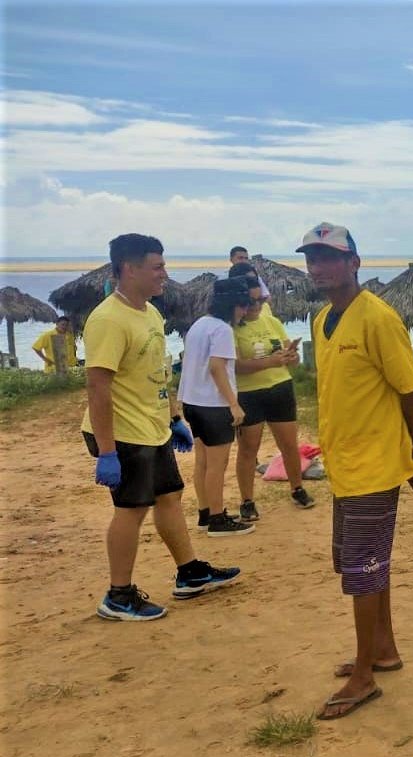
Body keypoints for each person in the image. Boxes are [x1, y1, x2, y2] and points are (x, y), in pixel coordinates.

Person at [302, 221, 413, 720]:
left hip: (375, 466)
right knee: (365, 563)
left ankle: (363, 676)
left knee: (361, 570)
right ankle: (383, 649)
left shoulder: (377, 318)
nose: (319, 268)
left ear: (354, 263)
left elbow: (411, 391)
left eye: (330, 258)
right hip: (345, 464)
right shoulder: (322, 320)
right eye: (312, 259)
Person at [84, 233, 240, 621]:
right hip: (121, 432)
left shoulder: (149, 312)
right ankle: (117, 595)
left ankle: (189, 572)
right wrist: (106, 451)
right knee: (132, 509)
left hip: (152, 427)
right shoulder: (107, 319)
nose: (164, 275)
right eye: (157, 267)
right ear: (129, 268)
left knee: (170, 496)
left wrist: (173, 418)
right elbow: (98, 387)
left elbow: (156, 372)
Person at [232, 275, 315, 522]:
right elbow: (236, 366)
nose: (257, 307)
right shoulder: (232, 328)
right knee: (248, 448)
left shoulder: (272, 321)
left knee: (289, 444)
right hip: (249, 393)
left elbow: (293, 357)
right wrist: (271, 361)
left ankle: (297, 488)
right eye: (252, 302)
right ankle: (247, 500)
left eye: (260, 300)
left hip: (280, 387)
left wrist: (291, 357)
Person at [178, 277, 256, 536]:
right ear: (231, 305)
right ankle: (217, 518)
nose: (244, 311)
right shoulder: (222, 330)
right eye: (242, 306)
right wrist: (234, 404)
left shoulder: (199, 324)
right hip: (213, 404)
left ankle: (205, 511)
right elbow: (216, 368)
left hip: (192, 401)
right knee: (216, 465)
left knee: (202, 461)